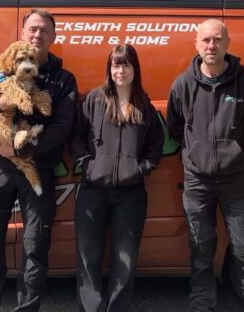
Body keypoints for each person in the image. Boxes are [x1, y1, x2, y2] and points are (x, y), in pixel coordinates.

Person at [0, 8, 77, 312]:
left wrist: (21, 150)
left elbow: (63, 129)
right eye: (33, 29)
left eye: (44, 30)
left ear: (53, 36)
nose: (38, 35)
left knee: (35, 246)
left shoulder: (63, 79)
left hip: (38, 165)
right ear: (23, 33)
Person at [166, 19, 244, 312]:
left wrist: (233, 151)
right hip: (197, 182)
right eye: (206, 40)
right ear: (196, 44)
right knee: (200, 248)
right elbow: (175, 127)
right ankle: (203, 305)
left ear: (227, 43)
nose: (211, 46)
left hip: (235, 179)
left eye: (217, 40)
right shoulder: (183, 84)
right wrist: (197, 152)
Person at [70, 44, 164, 312]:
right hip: (92, 190)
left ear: (135, 69)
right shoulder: (94, 100)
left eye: (125, 65)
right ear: (108, 69)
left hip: (131, 194)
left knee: (125, 258)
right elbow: (76, 137)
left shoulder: (144, 107)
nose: (120, 71)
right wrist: (87, 165)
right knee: (88, 256)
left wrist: (141, 168)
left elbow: (156, 147)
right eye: (115, 65)